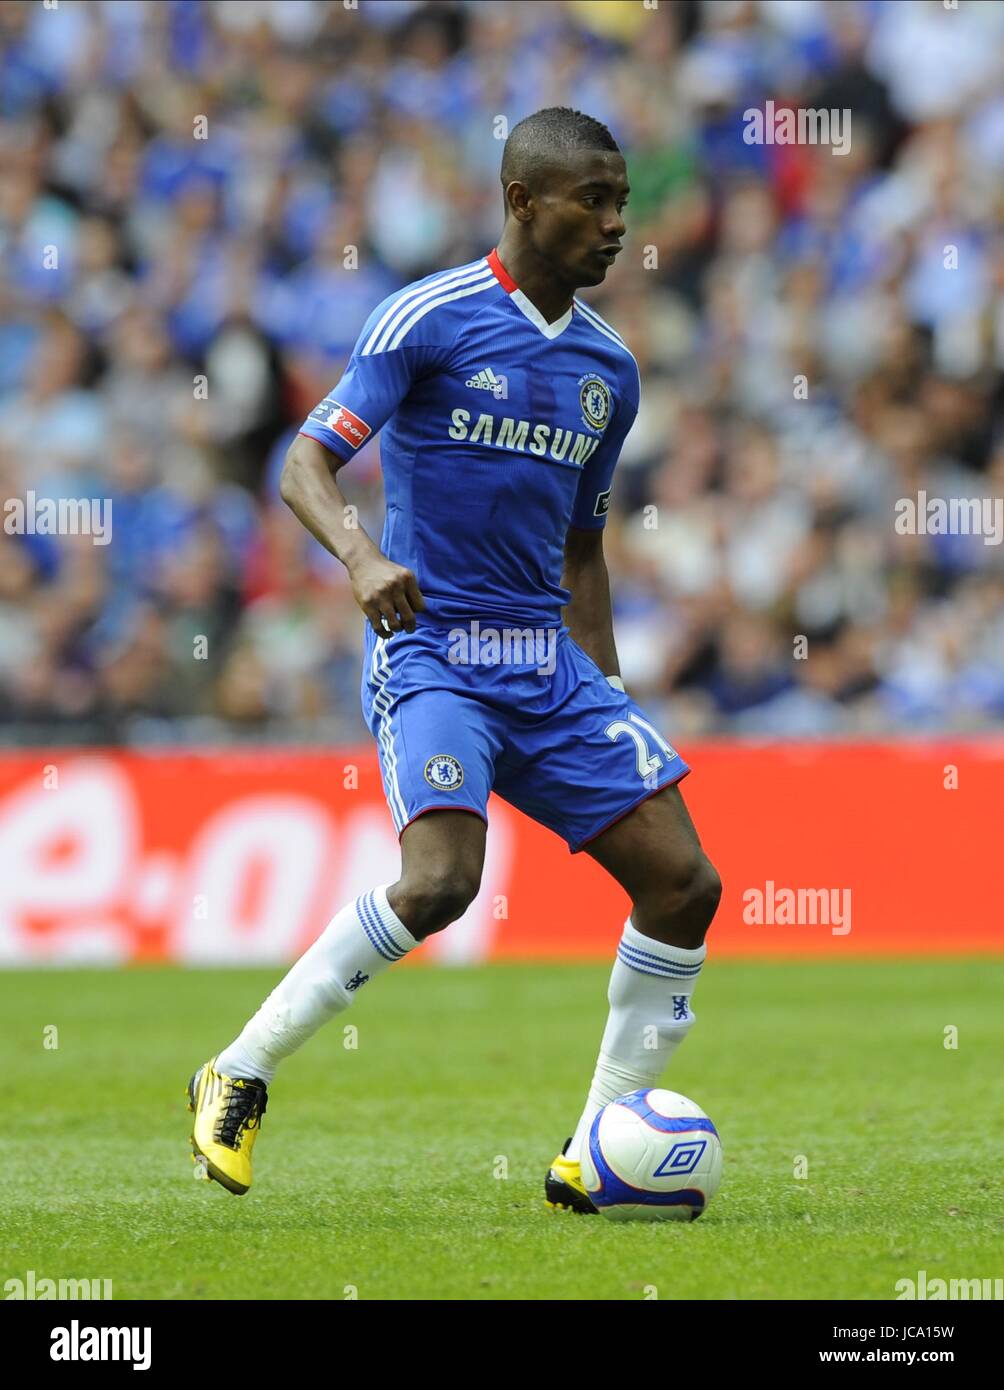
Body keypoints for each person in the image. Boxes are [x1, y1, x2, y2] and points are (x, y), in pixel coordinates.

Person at [187, 108, 721, 1212]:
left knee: (683, 883)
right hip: (432, 650)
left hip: (550, 666)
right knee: (440, 882)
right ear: (523, 201)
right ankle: (238, 1070)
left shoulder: (608, 371)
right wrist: (358, 556)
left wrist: (607, 688)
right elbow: (303, 462)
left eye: (623, 202)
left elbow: (584, 544)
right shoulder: (426, 319)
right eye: (593, 200)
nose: (617, 224)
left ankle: (589, 1151)